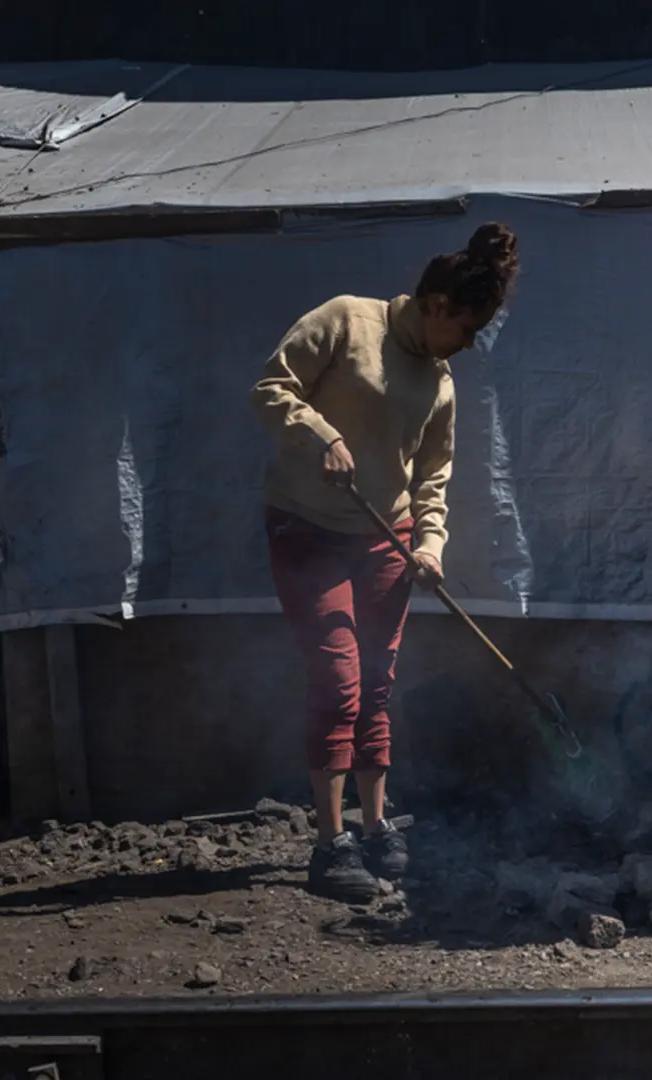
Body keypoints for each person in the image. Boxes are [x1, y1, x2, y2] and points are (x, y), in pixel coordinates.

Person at [249, 223, 520, 903]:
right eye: (465, 326)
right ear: (435, 305)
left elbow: (433, 477)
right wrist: (321, 435)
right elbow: (271, 389)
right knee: (338, 678)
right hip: (308, 529)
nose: (467, 343)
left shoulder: (441, 383)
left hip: (384, 540)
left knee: (375, 682)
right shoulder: (345, 321)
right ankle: (329, 844)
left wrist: (430, 544)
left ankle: (375, 827)